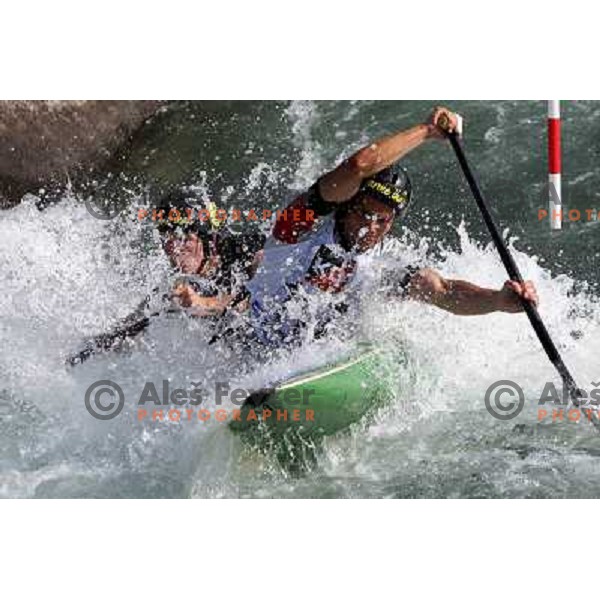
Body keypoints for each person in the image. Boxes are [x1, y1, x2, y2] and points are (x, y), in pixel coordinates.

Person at [237, 106, 538, 347]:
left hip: (308, 364)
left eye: (382, 221)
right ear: (345, 202)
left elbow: (444, 292)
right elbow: (358, 166)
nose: (370, 227)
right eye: (364, 213)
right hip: (249, 351)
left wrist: (497, 301)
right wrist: (427, 130)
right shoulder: (297, 227)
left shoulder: (381, 266)